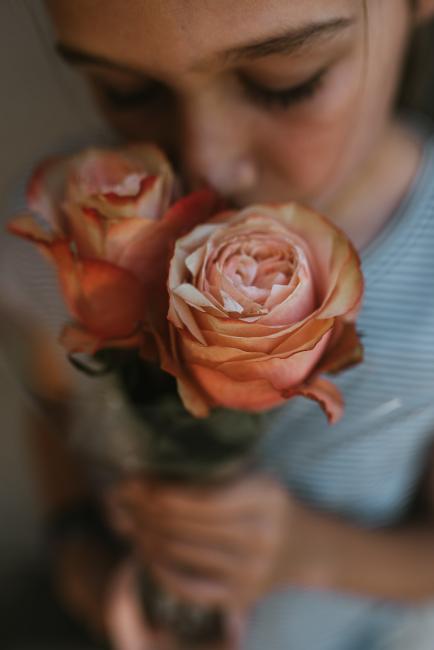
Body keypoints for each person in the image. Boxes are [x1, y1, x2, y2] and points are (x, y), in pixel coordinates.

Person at [3, 1, 434, 648]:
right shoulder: (73, 229)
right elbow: (54, 404)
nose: (207, 166)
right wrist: (80, 558)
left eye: (288, 83)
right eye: (128, 91)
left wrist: (307, 551)